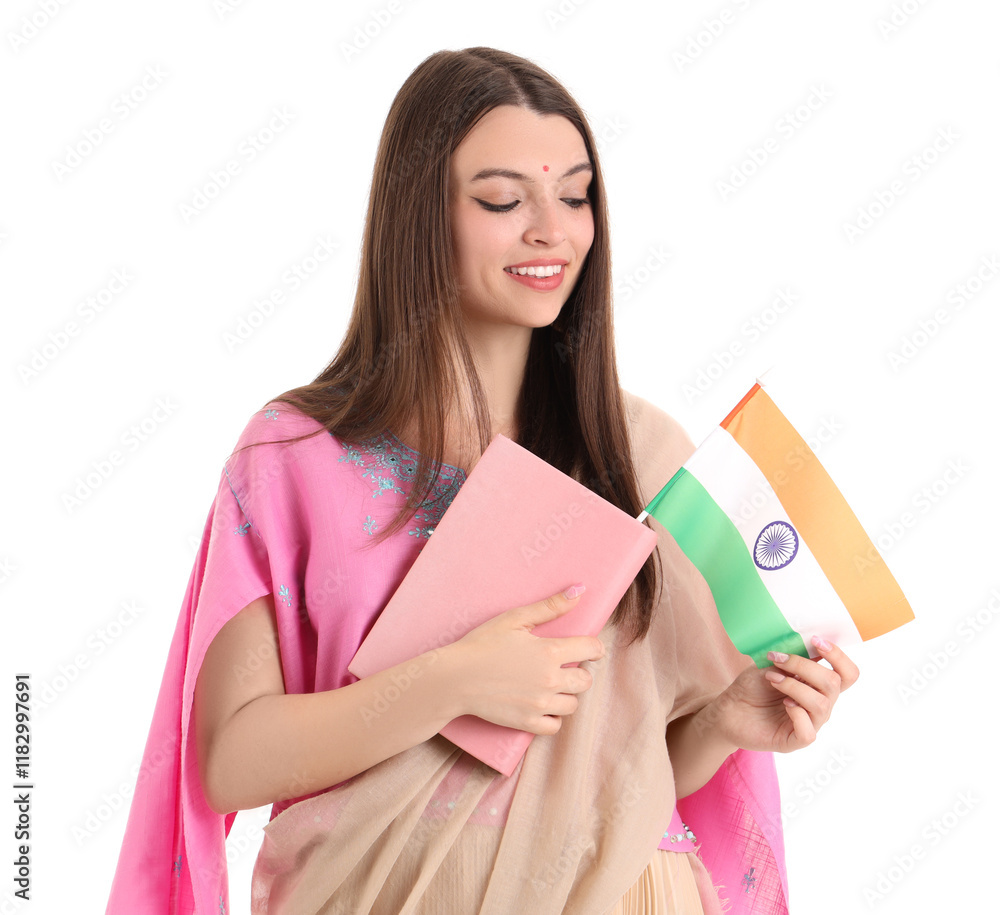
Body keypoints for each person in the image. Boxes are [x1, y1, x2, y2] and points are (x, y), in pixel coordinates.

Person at [106, 47, 858, 914]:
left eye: (576, 196)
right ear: (420, 215)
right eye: (504, 199)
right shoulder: (293, 457)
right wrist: (449, 682)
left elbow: (619, 785)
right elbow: (231, 759)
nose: (553, 229)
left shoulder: (644, 454)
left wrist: (726, 722)